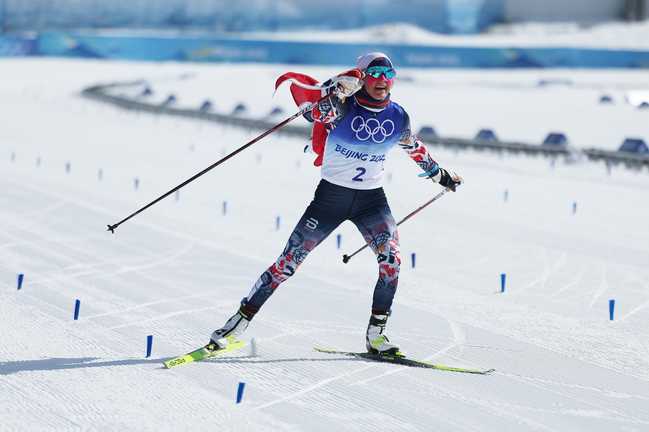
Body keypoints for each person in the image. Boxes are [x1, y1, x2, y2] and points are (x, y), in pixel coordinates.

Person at [209, 52, 462, 355]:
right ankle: (237, 323)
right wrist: (333, 90)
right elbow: (309, 112)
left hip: (371, 201)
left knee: (391, 261)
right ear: (363, 77)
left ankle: (377, 335)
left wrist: (439, 175)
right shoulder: (340, 108)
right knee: (287, 264)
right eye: (376, 73)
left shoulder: (398, 116)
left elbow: (413, 147)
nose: (382, 80)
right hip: (331, 199)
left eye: (389, 74)